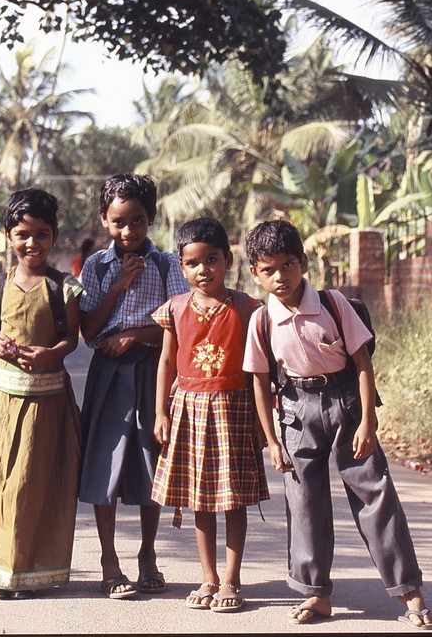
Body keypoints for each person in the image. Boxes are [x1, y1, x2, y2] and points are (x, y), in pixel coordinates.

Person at [242, 219, 432, 630]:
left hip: (345, 402)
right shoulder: (261, 321)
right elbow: (260, 382)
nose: (281, 276)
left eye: (289, 265)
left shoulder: (333, 304)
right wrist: (272, 440)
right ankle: (316, 593)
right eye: (269, 269)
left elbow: (363, 365)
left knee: (375, 493)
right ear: (255, 274)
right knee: (304, 501)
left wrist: (369, 420)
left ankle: (409, 590)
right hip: (296, 411)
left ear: (304, 262)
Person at [0, 188, 83, 600]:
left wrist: (51, 353)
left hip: (44, 403)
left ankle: (24, 572)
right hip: (1, 401)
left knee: (30, 485)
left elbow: (72, 339)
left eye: (42, 234)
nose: (33, 243)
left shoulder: (63, 287)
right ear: (8, 236)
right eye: (23, 234)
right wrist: (0, 347)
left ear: (55, 235)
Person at [77, 173, 190, 600]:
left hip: (151, 371)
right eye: (120, 222)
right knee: (104, 463)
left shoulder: (166, 265)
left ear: (151, 219)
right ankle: (109, 561)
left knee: (149, 460)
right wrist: (118, 286)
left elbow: (180, 328)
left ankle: (148, 556)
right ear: (105, 220)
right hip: (108, 373)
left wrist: (136, 336)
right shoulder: (96, 266)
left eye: (139, 221)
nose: (129, 231)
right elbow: (88, 329)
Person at [150, 217, 269, 613]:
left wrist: (259, 419)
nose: (204, 270)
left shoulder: (250, 308)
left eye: (212, 260)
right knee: (200, 497)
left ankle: (232, 579)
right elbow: (166, 361)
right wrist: (160, 411)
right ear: (181, 267)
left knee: (233, 498)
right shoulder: (175, 308)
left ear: (228, 260)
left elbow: (259, 367)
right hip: (189, 408)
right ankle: (209, 576)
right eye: (194, 263)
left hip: (235, 406)